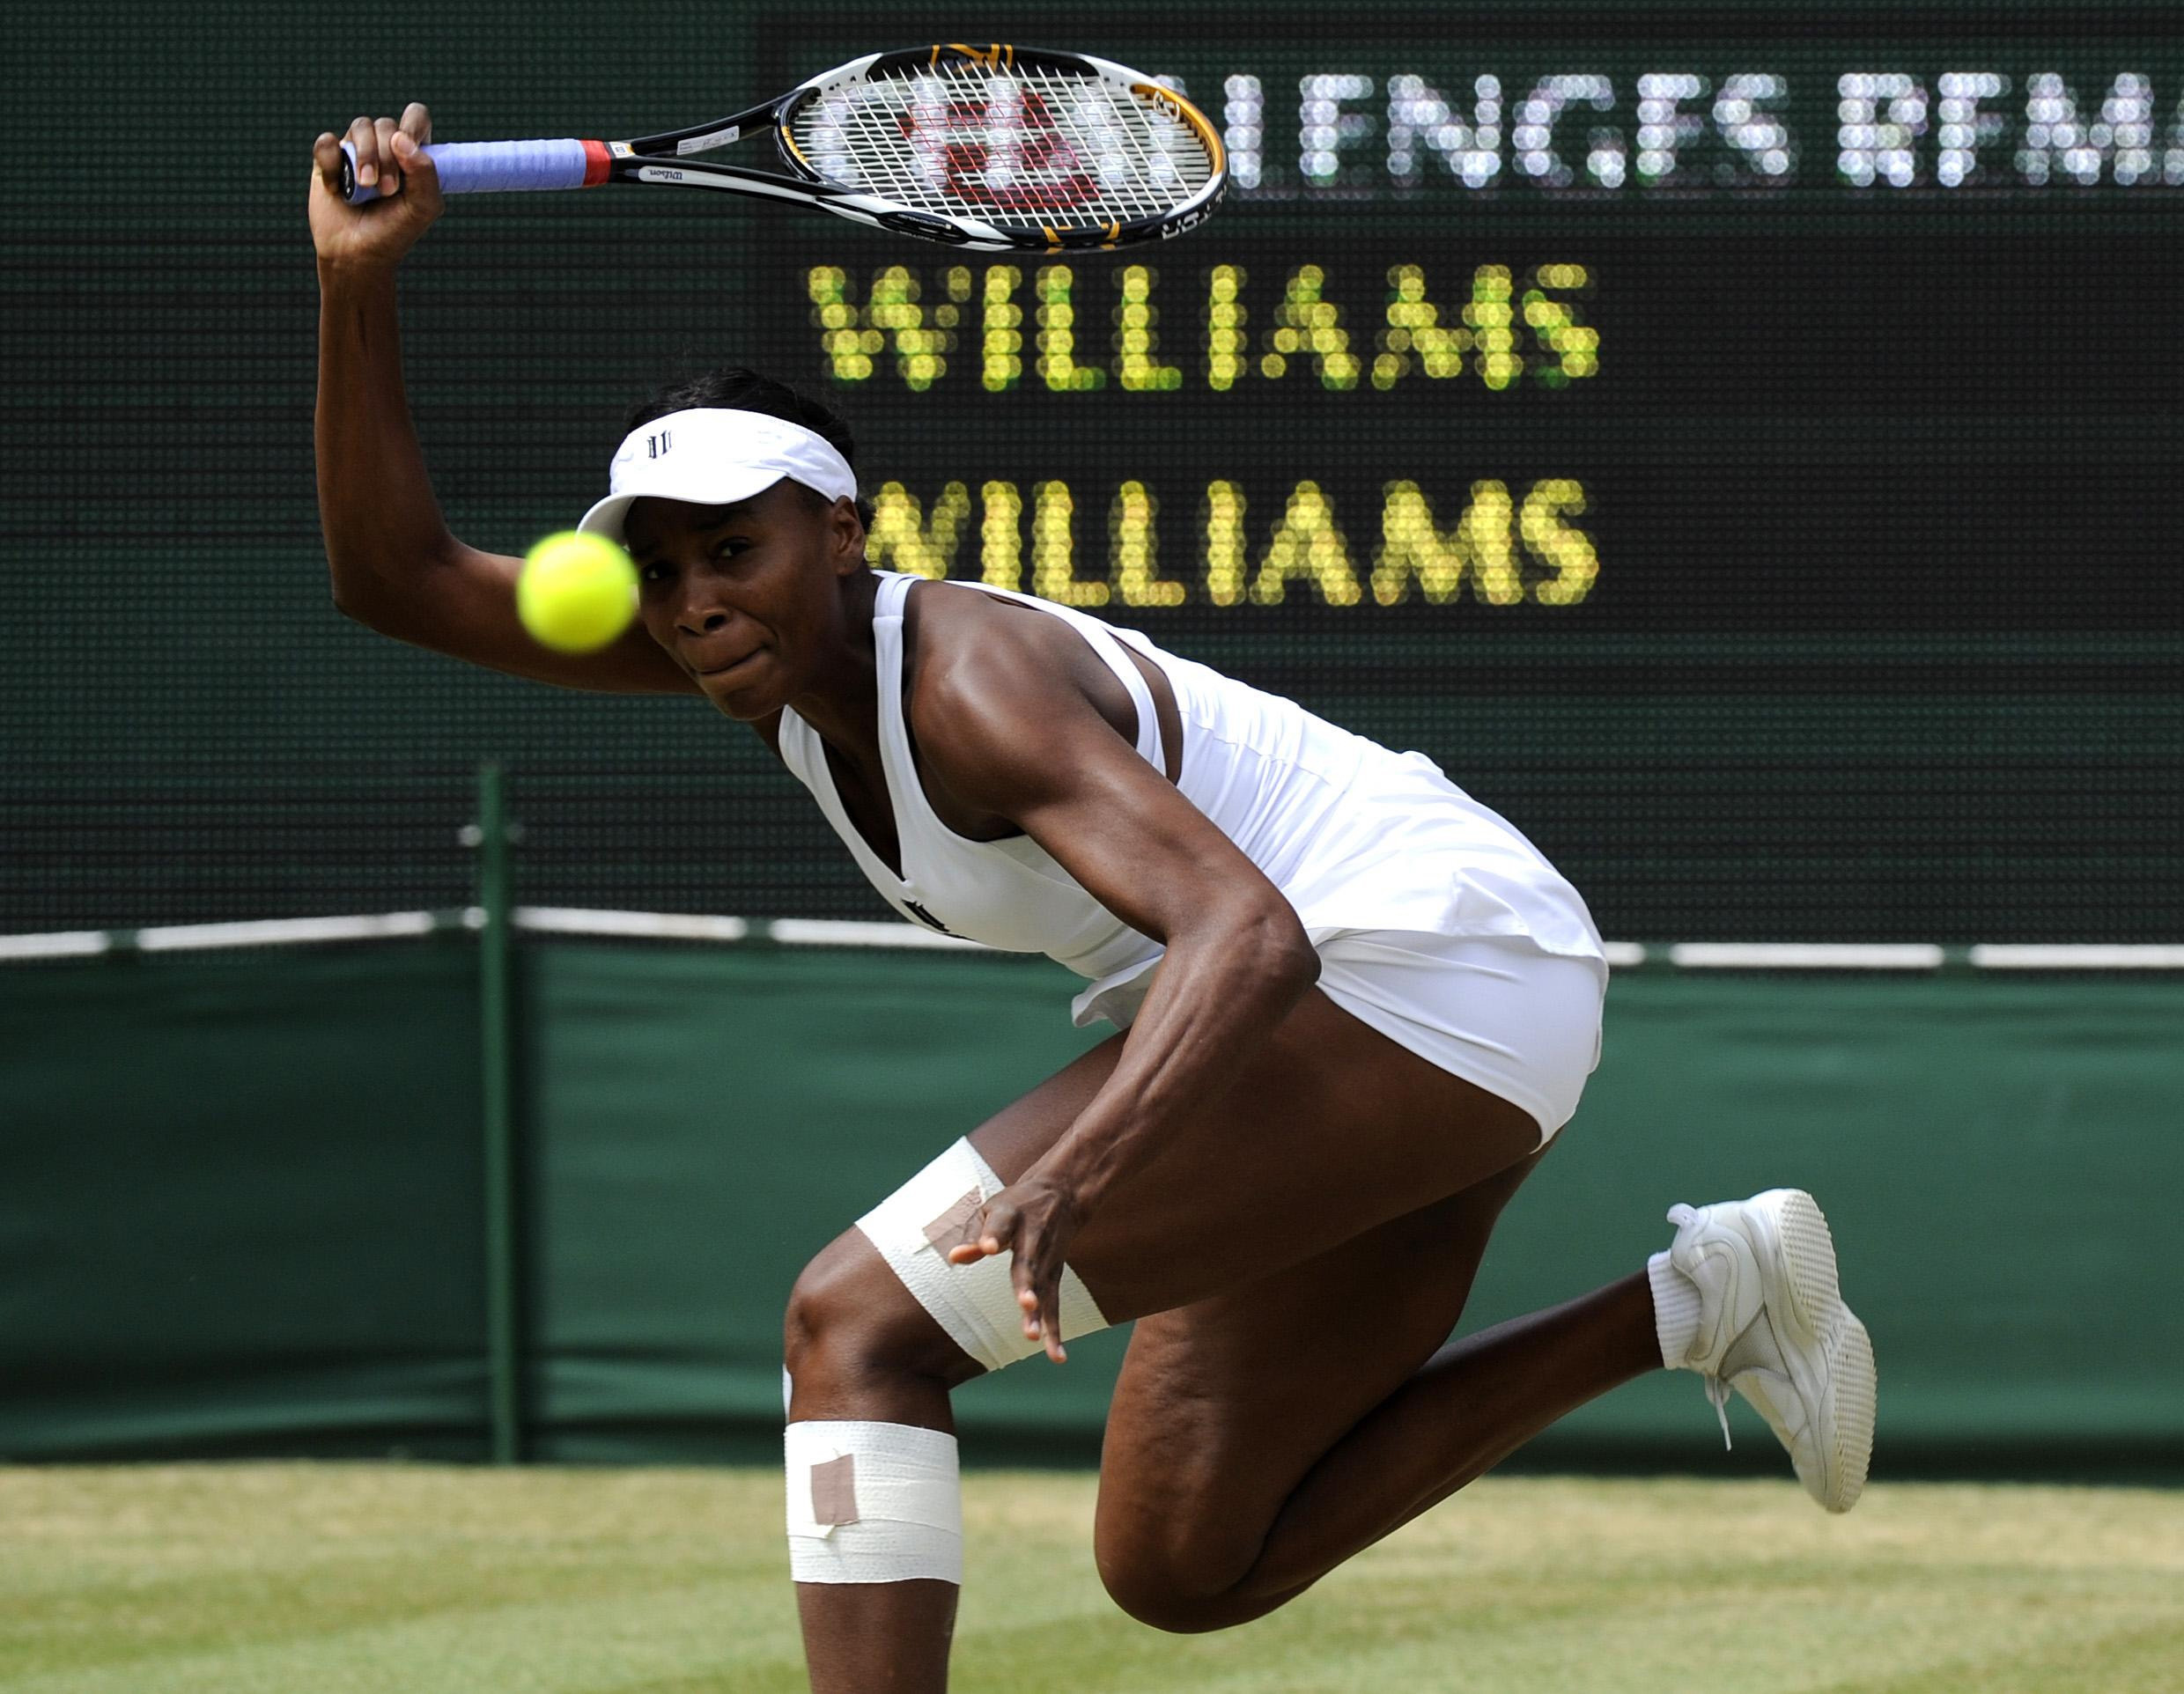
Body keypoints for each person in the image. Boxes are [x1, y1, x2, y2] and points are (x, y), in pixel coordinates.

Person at [311, 107, 1877, 1690]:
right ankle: (1695, 1301)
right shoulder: (753, 650)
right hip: (1414, 996)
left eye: (735, 549)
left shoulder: (967, 685)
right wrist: (357, 284)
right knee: (1188, 1558)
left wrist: (1083, 1172)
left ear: (842, 534)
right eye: (660, 572)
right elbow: (396, 578)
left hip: (1416, 959)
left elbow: (1245, 930)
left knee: (852, 1329)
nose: (697, 601)